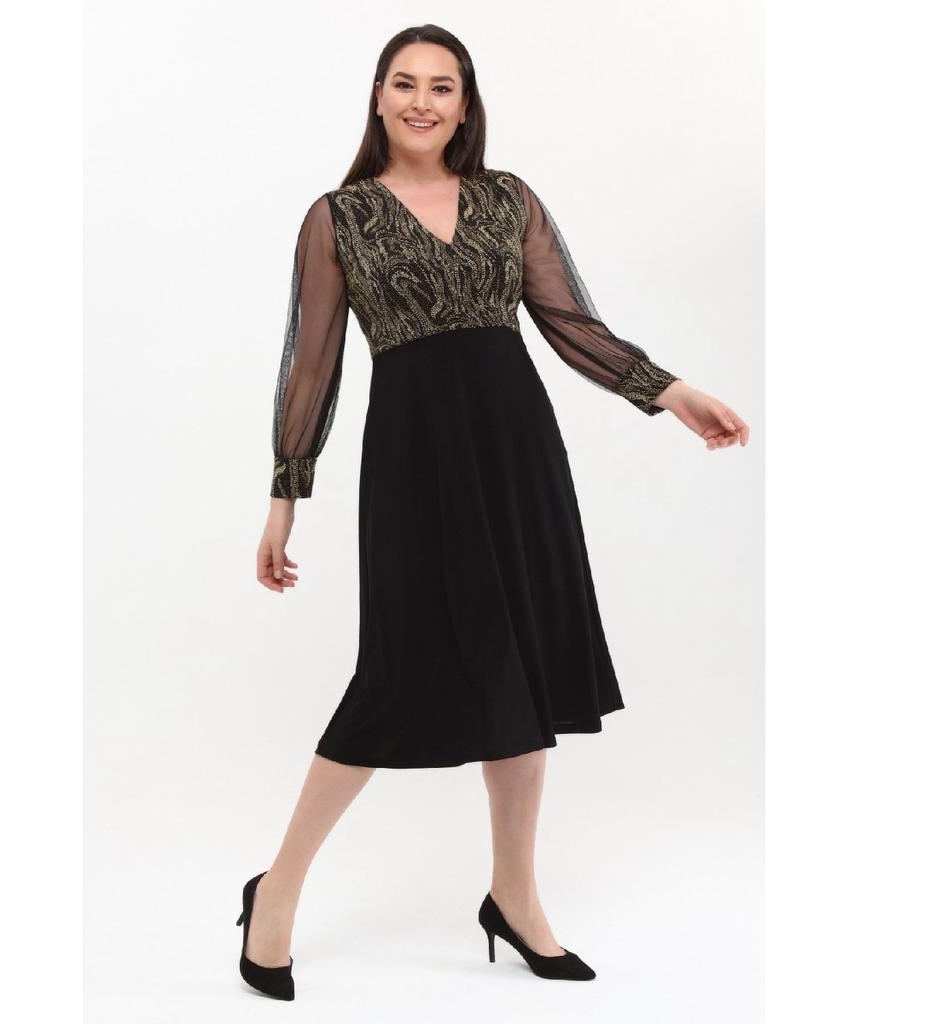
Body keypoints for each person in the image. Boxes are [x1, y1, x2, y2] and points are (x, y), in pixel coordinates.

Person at [238, 24, 749, 1001]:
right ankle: (277, 891)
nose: (422, 101)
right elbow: (312, 365)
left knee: (522, 664)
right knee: (392, 678)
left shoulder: (508, 199)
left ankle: (514, 895)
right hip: (415, 464)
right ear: (378, 98)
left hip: (517, 452)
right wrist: (283, 498)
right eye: (404, 84)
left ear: (465, 104)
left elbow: (570, 323)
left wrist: (671, 392)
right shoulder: (340, 217)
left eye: (443, 86)